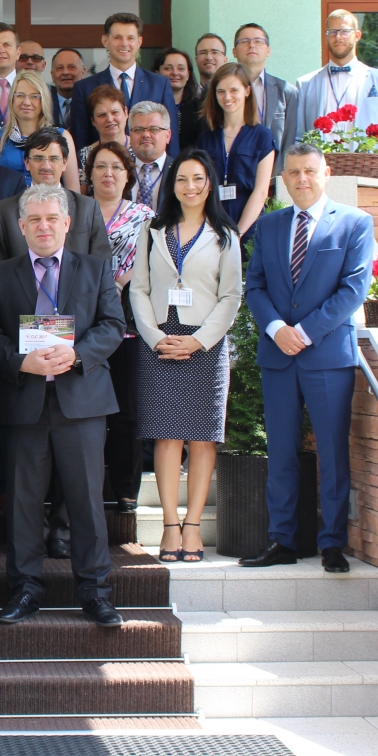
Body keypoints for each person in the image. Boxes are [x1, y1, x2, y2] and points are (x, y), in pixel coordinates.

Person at [0, 183, 125, 629]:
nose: (43, 227)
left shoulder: (96, 269)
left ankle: (95, 592)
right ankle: (25, 588)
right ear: (21, 226)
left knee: (86, 501)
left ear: (67, 224)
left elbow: (113, 325)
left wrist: (77, 353)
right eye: (34, 220)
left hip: (80, 401)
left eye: (51, 219)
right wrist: (19, 361)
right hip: (23, 402)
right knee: (23, 503)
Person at [241, 141, 375, 573]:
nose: (302, 179)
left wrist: (303, 332)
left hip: (328, 356)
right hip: (278, 355)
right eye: (294, 172)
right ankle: (282, 539)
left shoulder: (354, 223)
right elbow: (255, 286)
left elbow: (353, 290)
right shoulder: (270, 225)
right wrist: (276, 329)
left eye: (310, 171)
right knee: (280, 452)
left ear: (326, 173)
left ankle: (332, 543)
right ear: (283, 179)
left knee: (332, 453)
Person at [128, 150, 242, 564]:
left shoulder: (225, 235)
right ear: (171, 186)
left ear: (209, 184)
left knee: (202, 436)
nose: (189, 187)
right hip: (160, 339)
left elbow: (231, 296)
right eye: (181, 179)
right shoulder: (153, 230)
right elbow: (139, 288)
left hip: (205, 343)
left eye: (197, 179)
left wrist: (199, 341)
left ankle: (193, 526)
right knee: (167, 435)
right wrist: (155, 336)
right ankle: (170, 525)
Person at [84, 140, 155, 516]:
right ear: (89, 174)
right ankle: (87, 487)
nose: (108, 173)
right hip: (84, 324)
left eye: (116, 167)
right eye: (100, 166)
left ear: (128, 175)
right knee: (85, 412)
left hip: (129, 323)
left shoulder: (144, 215)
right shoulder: (76, 212)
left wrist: (121, 281)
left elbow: (156, 261)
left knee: (127, 412)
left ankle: (126, 490)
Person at [291, 9, 378, 168]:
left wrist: (376, 170)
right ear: (326, 37)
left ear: (357, 35)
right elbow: (298, 138)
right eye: (332, 32)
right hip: (318, 176)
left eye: (344, 31)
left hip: (366, 174)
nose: (338, 37)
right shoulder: (305, 83)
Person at [0, 129, 113, 264]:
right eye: (38, 158)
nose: (46, 166)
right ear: (27, 163)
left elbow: (101, 264)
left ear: (64, 163)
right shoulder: (3, 213)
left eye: (54, 159)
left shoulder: (88, 208)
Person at [68, 14, 180, 152]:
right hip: (102, 163)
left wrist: (173, 165)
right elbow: (80, 142)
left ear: (139, 42)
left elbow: (171, 137)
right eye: (117, 37)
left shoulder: (159, 85)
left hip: (149, 164)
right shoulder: (84, 88)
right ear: (105, 40)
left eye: (130, 38)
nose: (124, 43)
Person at [196, 62, 277, 238]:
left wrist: (237, 234)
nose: (227, 97)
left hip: (249, 225)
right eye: (221, 91)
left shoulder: (262, 136)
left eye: (234, 90)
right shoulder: (205, 139)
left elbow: (261, 192)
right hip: (211, 226)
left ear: (247, 91)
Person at [0, 70, 78, 188]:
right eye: (20, 95)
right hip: (8, 199)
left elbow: (73, 191)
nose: (26, 102)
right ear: (12, 99)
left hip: (50, 199)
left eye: (34, 96)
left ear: (44, 100)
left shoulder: (62, 136)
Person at [231, 23, 295, 151]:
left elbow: (290, 140)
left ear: (268, 51)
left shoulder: (287, 91)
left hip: (275, 162)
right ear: (234, 52)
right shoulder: (219, 89)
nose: (251, 45)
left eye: (258, 41)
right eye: (244, 41)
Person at [127, 100, 175, 209]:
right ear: (130, 135)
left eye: (154, 129)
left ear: (168, 135)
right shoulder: (120, 169)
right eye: (138, 130)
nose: (146, 135)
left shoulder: (179, 171)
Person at [155, 48, 205, 150]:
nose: (175, 73)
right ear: (157, 73)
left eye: (181, 69)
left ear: (188, 74)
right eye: (168, 68)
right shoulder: (150, 106)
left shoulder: (199, 108)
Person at [86, 84, 129, 158]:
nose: (109, 119)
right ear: (93, 120)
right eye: (102, 115)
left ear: (125, 113)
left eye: (115, 112)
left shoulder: (140, 150)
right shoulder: (85, 156)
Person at [49, 48, 86, 127]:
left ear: (83, 72)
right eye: (60, 68)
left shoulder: (91, 103)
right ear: (52, 75)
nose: (65, 72)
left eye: (71, 67)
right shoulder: (43, 104)